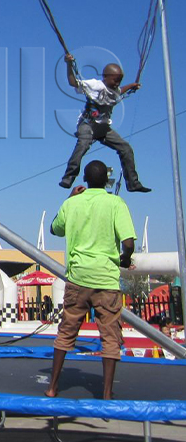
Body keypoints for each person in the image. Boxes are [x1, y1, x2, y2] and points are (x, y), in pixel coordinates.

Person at [45, 160, 136, 399]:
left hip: (78, 277)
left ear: (83, 180)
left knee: (66, 332)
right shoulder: (115, 203)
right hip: (105, 278)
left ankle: (53, 387)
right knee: (110, 337)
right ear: (107, 180)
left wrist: (69, 198)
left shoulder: (73, 203)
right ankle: (106, 392)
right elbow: (128, 242)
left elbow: (54, 229)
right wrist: (125, 259)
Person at [59, 55, 150, 192]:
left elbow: (121, 90)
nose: (117, 84)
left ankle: (133, 183)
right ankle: (68, 177)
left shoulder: (115, 89)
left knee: (125, 148)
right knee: (83, 144)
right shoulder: (95, 85)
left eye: (119, 81)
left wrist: (131, 85)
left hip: (103, 128)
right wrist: (68, 64)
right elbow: (73, 82)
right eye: (115, 80)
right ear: (105, 77)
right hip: (88, 124)